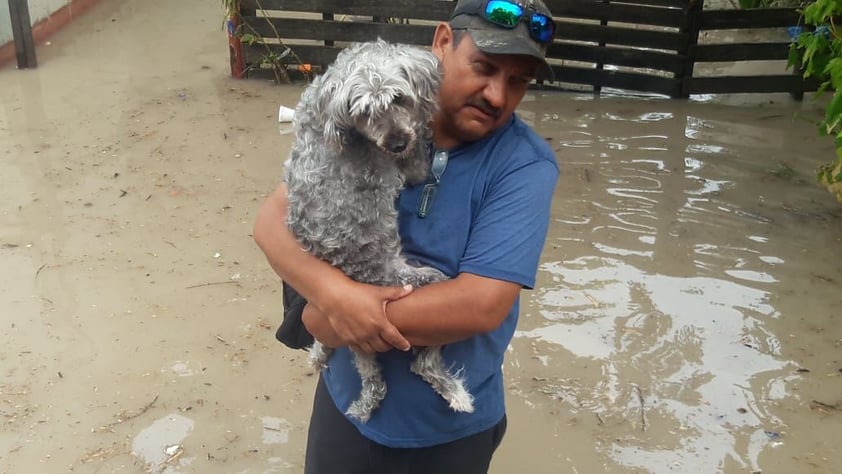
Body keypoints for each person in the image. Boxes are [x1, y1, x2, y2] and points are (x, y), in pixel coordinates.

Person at [253, 0, 559, 472]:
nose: (497, 95)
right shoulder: (368, 120)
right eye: (485, 67)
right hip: (346, 405)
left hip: (448, 431)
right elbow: (270, 222)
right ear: (441, 43)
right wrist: (332, 295)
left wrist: (335, 320)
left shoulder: (523, 167)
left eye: (518, 81)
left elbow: (480, 304)